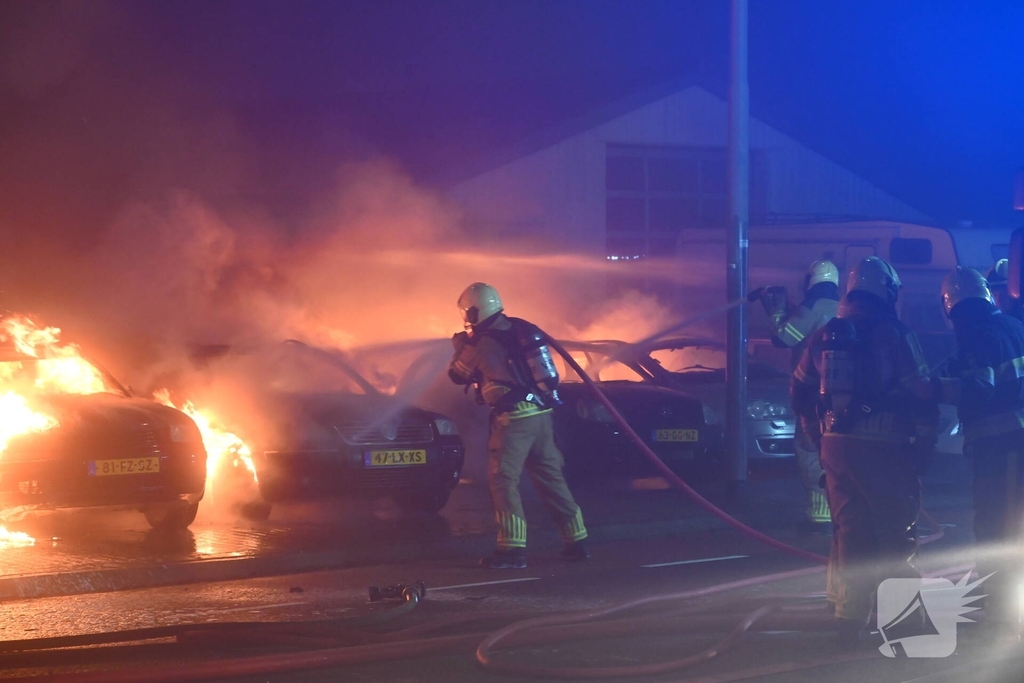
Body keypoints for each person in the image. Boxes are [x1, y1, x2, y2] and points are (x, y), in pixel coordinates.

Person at [790, 256, 938, 642]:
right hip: (886, 449)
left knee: (851, 532)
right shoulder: (896, 334)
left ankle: (849, 615)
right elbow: (922, 393)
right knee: (896, 532)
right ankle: (901, 620)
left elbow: (800, 391)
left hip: (836, 448)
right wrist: (926, 442)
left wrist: (817, 436)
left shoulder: (826, 334)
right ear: (887, 292)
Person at [448, 282, 589, 569]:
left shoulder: (481, 343)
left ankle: (511, 551)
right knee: (551, 479)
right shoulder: (518, 328)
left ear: (474, 312)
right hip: (541, 417)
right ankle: (577, 542)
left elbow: (457, 374)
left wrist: (461, 347)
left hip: (514, 422)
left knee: (503, 480)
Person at [933, 266, 1024, 627]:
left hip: (1001, 447)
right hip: (1014, 444)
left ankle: (1000, 609)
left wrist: (930, 389)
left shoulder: (977, 333)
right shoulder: (1012, 326)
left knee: (995, 526)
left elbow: (978, 387)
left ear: (950, 305)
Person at [756, 259, 840, 531]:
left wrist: (778, 310)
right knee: (836, 449)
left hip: (812, 391)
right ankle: (842, 510)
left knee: (810, 448)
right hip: (841, 392)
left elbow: (784, 338)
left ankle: (820, 513)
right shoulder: (841, 306)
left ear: (810, 280)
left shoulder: (813, 306)